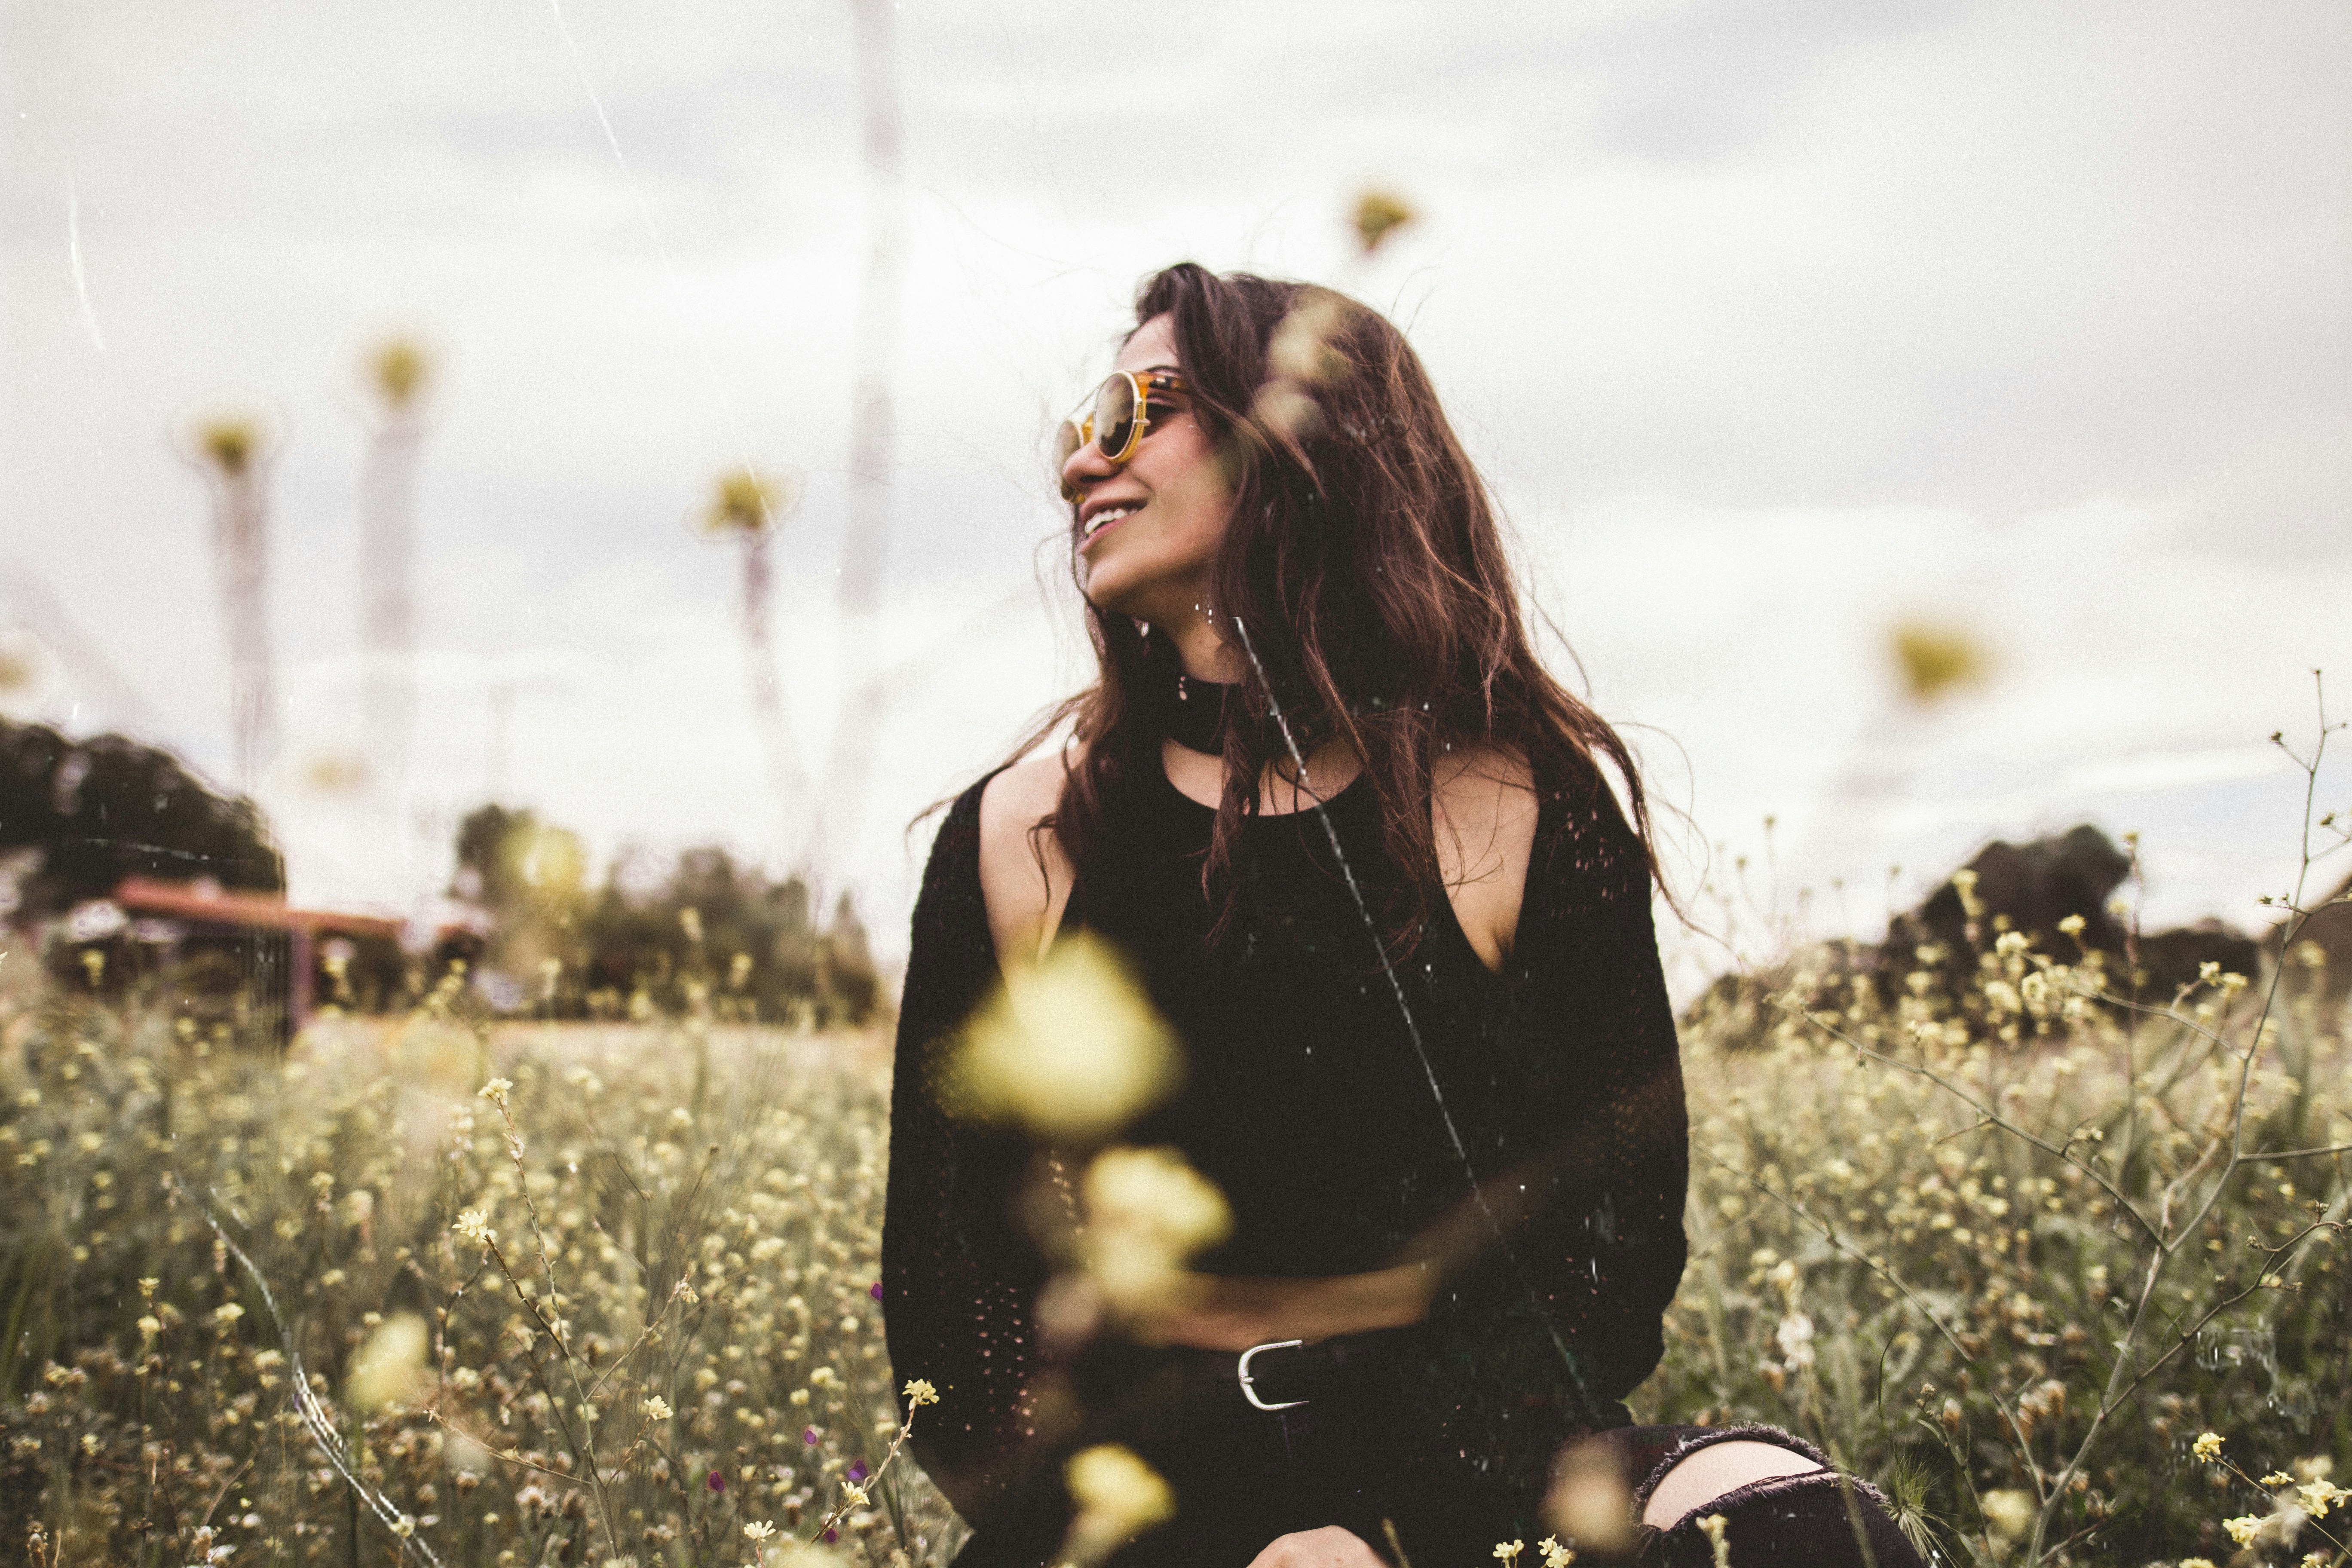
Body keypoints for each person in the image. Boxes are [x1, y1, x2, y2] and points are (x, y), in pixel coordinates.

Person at [882, 264, 1926, 1568]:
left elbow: (1607, 1253)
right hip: (1141, 1482)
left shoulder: (1512, 804)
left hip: (1476, 1442)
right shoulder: (1023, 836)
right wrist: (1237, 1542)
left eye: (1127, 410)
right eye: (1072, 433)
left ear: (1295, 432)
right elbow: (956, 1326)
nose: (1078, 467)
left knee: (1802, 1535)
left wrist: (1400, 1524)